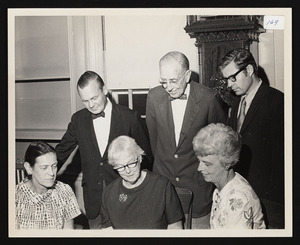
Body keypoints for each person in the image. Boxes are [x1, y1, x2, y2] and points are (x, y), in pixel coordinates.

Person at [55, 71, 153, 229]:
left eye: (94, 98)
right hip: (94, 202)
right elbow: (61, 151)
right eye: (85, 101)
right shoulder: (78, 119)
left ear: (105, 90)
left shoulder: (129, 117)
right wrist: (38, 173)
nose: (91, 105)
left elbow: (147, 158)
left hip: (127, 198)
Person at [146, 51, 228, 229]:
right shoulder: (153, 97)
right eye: (163, 81)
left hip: (198, 190)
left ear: (187, 75)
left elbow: (221, 147)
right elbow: (154, 142)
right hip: (163, 189)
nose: (168, 87)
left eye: (173, 80)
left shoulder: (208, 98)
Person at [218, 48, 284, 228]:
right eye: (226, 80)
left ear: (248, 70)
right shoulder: (236, 101)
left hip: (268, 199)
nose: (229, 85)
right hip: (240, 192)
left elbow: (282, 159)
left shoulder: (278, 102)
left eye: (233, 78)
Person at [100, 135, 184, 229]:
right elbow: (108, 232)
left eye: (131, 163)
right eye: (120, 167)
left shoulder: (162, 186)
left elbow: (175, 228)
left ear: (139, 158)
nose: (127, 171)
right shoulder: (109, 193)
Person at [193, 123, 266, 229]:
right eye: (199, 161)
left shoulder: (238, 199)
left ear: (227, 163)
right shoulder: (222, 186)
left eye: (207, 164)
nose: (199, 168)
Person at [15, 141, 81, 230]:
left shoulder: (65, 191)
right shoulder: (14, 197)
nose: (51, 173)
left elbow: (68, 234)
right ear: (29, 168)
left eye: (54, 166)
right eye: (44, 167)